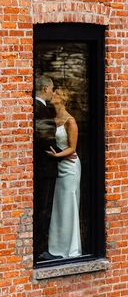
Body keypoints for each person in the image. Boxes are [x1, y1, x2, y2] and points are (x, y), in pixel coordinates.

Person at [46, 88, 82, 259]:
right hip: (59, 165)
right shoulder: (52, 118)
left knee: (69, 205)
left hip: (70, 166)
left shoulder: (70, 121)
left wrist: (56, 156)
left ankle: (71, 249)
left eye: (56, 94)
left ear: (62, 99)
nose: (53, 95)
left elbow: (72, 148)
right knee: (59, 206)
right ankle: (57, 247)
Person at [34, 75, 59, 260]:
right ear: (45, 89)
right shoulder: (40, 109)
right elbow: (44, 140)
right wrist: (62, 153)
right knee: (43, 208)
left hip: (42, 168)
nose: (52, 92)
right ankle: (40, 251)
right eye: (51, 89)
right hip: (45, 168)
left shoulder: (37, 107)